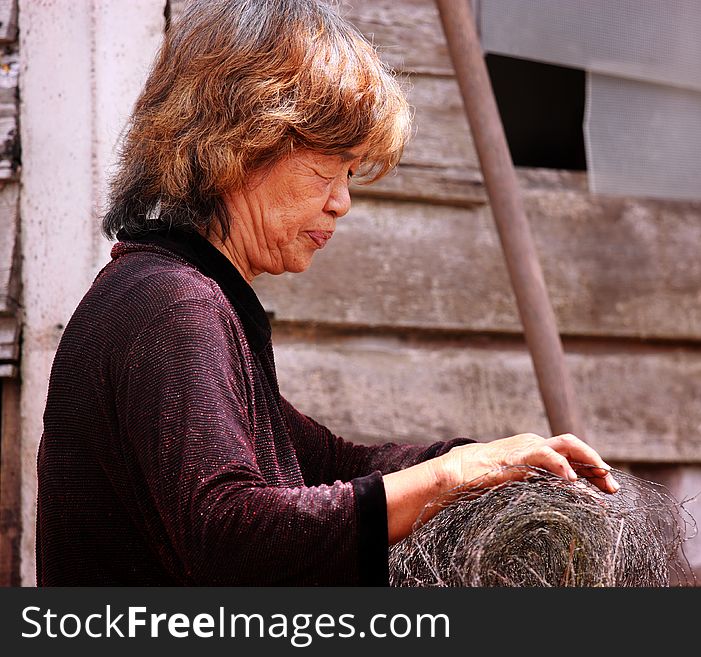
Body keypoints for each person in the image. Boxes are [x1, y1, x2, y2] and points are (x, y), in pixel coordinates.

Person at [36, 0, 618, 586]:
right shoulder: (170, 304)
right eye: (327, 170)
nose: (343, 201)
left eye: (350, 175)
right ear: (237, 147)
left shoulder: (170, 290)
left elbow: (328, 464)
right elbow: (232, 536)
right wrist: (449, 478)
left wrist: (488, 463)